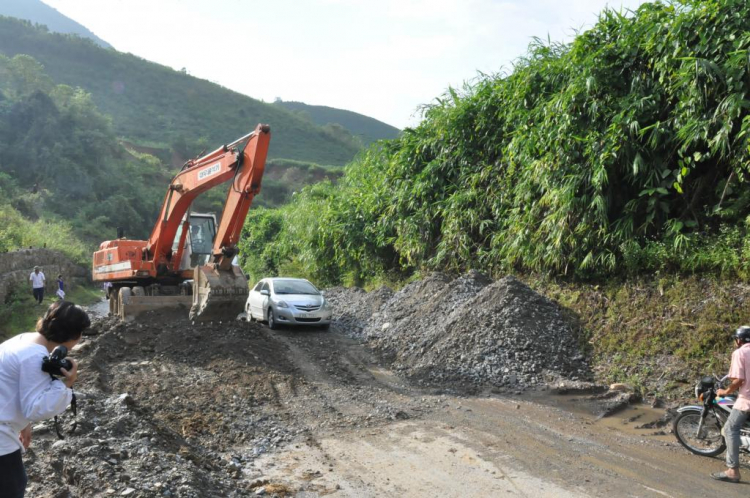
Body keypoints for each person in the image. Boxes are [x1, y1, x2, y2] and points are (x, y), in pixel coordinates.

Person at [0, 301, 89, 498]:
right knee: (11, 486)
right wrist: (68, 383)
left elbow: (12, 386)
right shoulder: (33, 355)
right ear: (74, 336)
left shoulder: (23, 340)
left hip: (4, 426)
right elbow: (37, 407)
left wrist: (23, 423)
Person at [711, 326, 750, 483]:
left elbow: (739, 380)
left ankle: (732, 471)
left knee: (730, 428)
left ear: (739, 340)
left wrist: (725, 392)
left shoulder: (740, 352)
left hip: (747, 399)